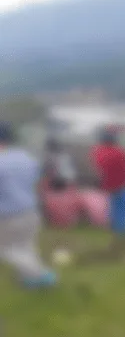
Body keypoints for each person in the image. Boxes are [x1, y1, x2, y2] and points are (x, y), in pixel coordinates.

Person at [0, 122, 56, 288]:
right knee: (25, 247)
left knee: (6, 249)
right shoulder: (25, 157)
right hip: (30, 211)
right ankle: (31, 280)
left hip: (8, 215)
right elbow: (37, 179)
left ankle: (42, 276)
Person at [90, 129, 125, 255]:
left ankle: (116, 232)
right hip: (124, 185)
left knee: (114, 210)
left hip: (108, 187)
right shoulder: (121, 152)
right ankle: (122, 236)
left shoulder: (98, 153)